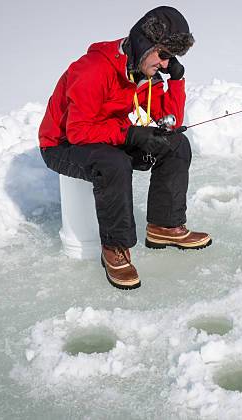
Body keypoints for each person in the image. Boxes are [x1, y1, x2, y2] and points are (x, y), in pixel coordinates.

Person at [38, 6, 211, 290]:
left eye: (172, 58)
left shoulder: (144, 71)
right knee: (113, 163)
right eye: (164, 55)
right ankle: (114, 248)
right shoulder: (93, 69)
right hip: (62, 144)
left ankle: (164, 226)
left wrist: (177, 81)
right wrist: (131, 134)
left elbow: (170, 122)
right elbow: (78, 131)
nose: (166, 64)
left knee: (176, 143)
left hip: (105, 137)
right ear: (144, 43)